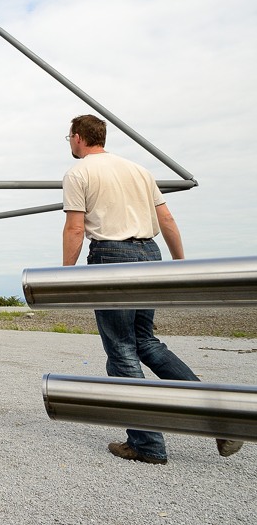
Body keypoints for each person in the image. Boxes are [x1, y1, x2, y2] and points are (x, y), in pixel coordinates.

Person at [61, 114, 243, 464]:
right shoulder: (139, 170)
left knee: (122, 350)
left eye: (69, 136)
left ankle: (146, 444)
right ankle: (221, 418)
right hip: (150, 253)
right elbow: (167, 219)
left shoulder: (79, 172)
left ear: (80, 138)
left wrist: (65, 278)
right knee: (145, 342)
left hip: (112, 256)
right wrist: (179, 264)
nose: (69, 142)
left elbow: (75, 228)